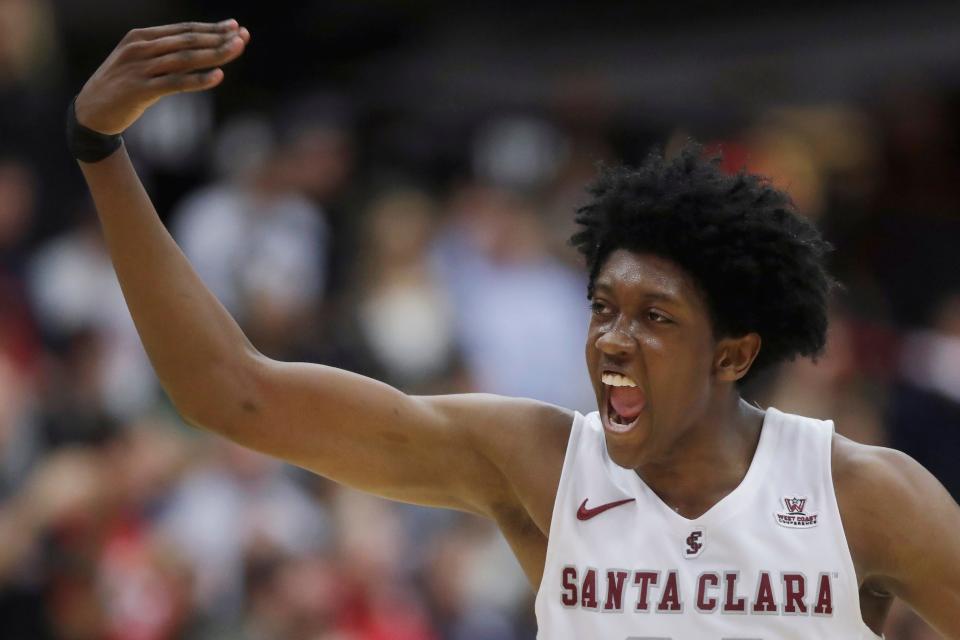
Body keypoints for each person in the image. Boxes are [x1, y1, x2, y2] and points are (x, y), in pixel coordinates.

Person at [68, 20, 960, 639]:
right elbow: (234, 397)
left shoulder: (862, 494)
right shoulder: (539, 463)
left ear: (733, 351)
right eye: (604, 307)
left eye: (655, 318)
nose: (613, 338)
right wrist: (101, 154)